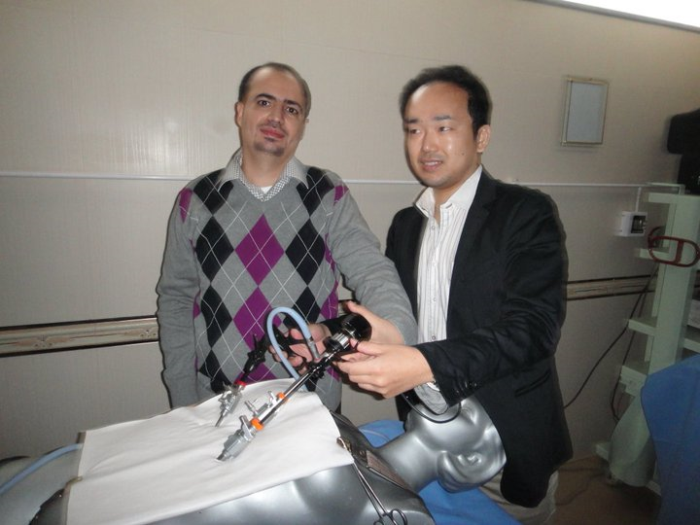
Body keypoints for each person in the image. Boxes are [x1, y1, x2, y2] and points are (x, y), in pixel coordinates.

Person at [336, 65, 572, 524]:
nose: (426, 144)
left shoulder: (525, 213)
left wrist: (425, 364)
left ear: (481, 137)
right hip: (427, 435)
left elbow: (534, 330)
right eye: (414, 130)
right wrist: (329, 336)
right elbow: (395, 314)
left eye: (444, 127)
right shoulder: (407, 225)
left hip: (505, 445)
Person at [156, 62, 416, 412]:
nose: (277, 116)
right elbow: (176, 299)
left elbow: (371, 269)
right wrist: (184, 401)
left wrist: (399, 334)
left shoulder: (327, 194)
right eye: (264, 102)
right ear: (240, 112)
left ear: (303, 125)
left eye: (291, 109)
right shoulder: (196, 200)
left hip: (310, 404)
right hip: (216, 404)